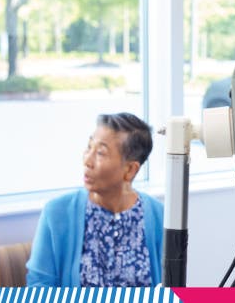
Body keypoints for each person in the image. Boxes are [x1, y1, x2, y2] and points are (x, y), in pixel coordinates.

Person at [26, 113, 163, 287]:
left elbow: (170, 286)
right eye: (89, 147)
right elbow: (39, 286)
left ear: (130, 169)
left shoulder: (160, 216)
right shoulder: (56, 213)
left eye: (100, 153)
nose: (87, 160)